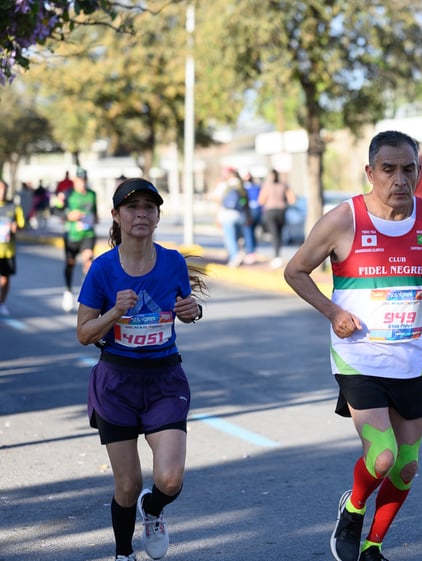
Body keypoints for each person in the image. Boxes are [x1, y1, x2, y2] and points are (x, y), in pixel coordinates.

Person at [284, 130, 422, 561]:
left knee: (406, 466)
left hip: (411, 361)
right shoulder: (345, 219)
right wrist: (333, 313)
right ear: (370, 173)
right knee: (381, 458)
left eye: (408, 169)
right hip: (359, 356)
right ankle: (354, 507)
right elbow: (296, 270)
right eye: (388, 170)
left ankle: (373, 545)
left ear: (419, 171)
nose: (399, 179)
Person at [76, 178, 207, 561]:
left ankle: (154, 511)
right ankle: (123, 553)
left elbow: (186, 307)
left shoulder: (172, 262)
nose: (141, 214)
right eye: (132, 208)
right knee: (128, 484)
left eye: (149, 207)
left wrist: (193, 311)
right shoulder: (102, 269)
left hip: (164, 380)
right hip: (116, 383)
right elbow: (84, 334)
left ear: (158, 216)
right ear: (116, 216)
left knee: (169, 479)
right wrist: (114, 312)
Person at [56, 167, 98, 312]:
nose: (82, 183)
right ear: (75, 181)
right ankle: (68, 291)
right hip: (71, 235)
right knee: (70, 264)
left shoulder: (92, 194)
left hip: (88, 233)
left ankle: (85, 292)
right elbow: (55, 209)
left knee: (89, 260)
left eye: (84, 180)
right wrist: (68, 216)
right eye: (80, 180)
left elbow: (94, 211)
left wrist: (95, 218)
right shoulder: (68, 194)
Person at [212, 167, 252, 268]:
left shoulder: (224, 185)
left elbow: (217, 200)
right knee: (238, 238)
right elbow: (245, 201)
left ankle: (234, 257)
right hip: (240, 215)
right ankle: (239, 253)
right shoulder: (241, 185)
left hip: (227, 215)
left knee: (230, 238)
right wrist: (247, 215)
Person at [258, 169, 296, 269]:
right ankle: (278, 255)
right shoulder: (284, 185)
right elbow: (292, 199)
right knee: (278, 233)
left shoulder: (267, 186)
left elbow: (261, 200)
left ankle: (276, 256)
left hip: (270, 211)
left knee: (274, 234)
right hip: (281, 210)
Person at [0, 179, 26, 316]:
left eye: (4, 189)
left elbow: (22, 224)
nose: (2, 192)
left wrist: (16, 227)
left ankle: (2, 303)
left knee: (5, 279)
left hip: (8, 251)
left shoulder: (13, 207)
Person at [243, 172, 262, 265]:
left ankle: (250, 252)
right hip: (257, 211)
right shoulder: (257, 187)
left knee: (248, 231)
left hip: (250, 211)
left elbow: (243, 200)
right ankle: (252, 251)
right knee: (252, 231)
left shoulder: (245, 188)